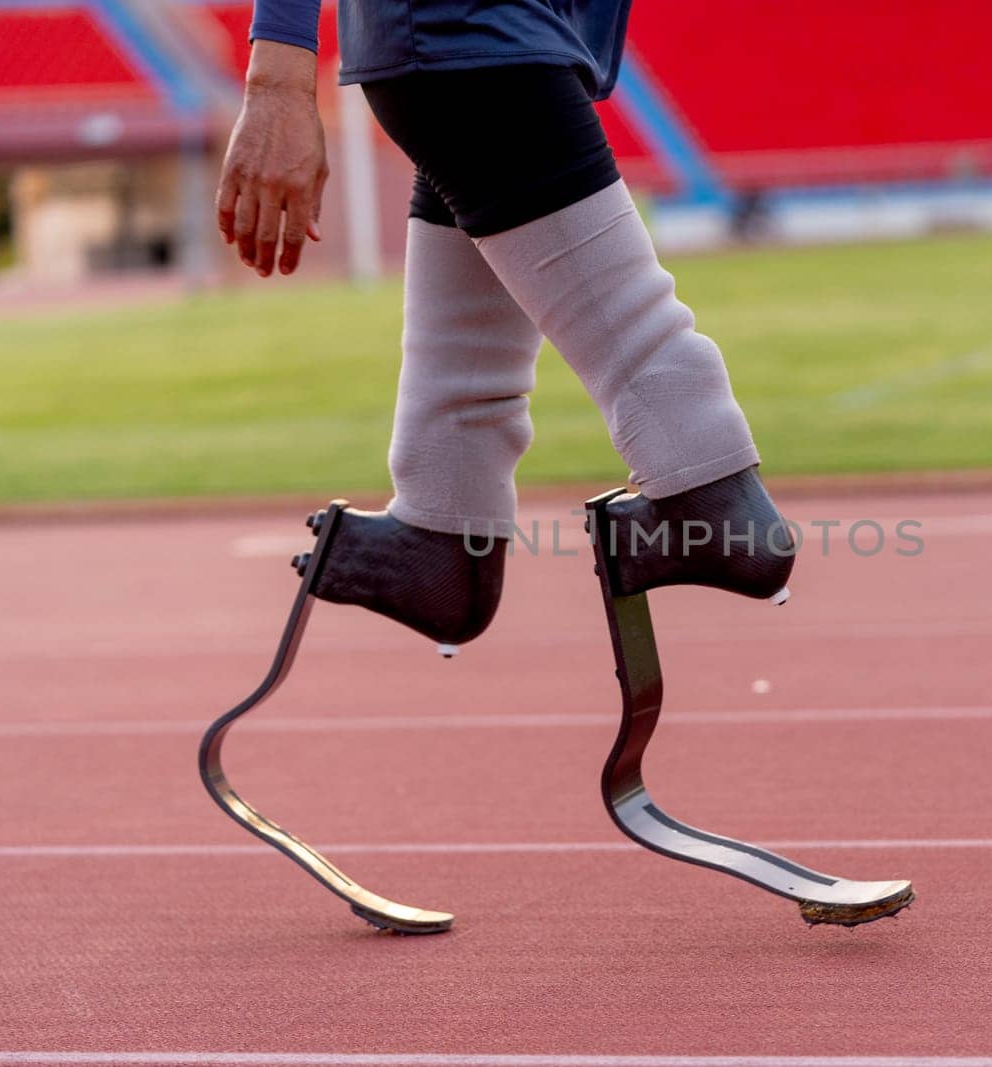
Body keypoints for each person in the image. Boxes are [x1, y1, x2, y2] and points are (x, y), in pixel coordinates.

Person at [217, 0, 793, 653]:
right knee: (469, 362)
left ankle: (711, 500)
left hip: (465, 28)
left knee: (636, 339)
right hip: (512, 32)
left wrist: (277, 81)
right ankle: (439, 544)